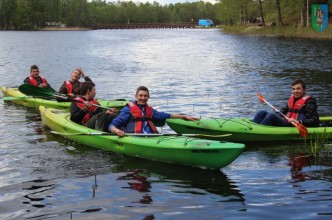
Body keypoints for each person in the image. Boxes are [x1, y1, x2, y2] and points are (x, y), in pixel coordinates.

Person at [109, 86, 198, 137]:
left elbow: (166, 115)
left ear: (148, 97)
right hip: (135, 138)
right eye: (140, 95)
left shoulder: (150, 111)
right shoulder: (128, 109)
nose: (143, 98)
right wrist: (117, 131)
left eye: (145, 96)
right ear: (136, 96)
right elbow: (112, 125)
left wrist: (184, 116)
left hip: (152, 137)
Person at [253, 79, 319, 127]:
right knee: (261, 113)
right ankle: (252, 127)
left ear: (304, 90)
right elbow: (284, 111)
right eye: (293, 89)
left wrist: (299, 122)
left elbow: (315, 121)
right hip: (287, 121)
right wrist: (278, 113)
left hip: (294, 125)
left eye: (298, 89)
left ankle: (256, 131)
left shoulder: (309, 102)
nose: (295, 91)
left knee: (271, 116)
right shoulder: (292, 98)